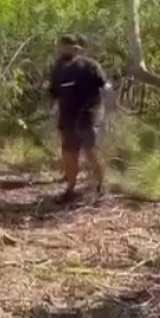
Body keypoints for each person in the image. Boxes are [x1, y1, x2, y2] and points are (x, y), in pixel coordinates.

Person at [48, 34, 111, 203]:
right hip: (67, 115)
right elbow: (54, 93)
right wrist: (54, 110)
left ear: (77, 48)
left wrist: (108, 98)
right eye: (62, 46)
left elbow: (105, 85)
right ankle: (71, 189)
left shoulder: (90, 65)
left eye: (69, 46)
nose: (65, 49)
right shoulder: (58, 68)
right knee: (69, 153)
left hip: (89, 113)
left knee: (91, 150)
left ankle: (100, 186)